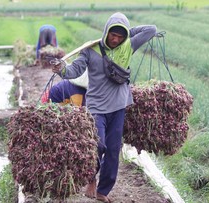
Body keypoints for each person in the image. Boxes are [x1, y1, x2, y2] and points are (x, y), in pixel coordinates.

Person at [52, 12, 157, 202]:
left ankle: (103, 191)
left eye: (120, 36)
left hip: (118, 106)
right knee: (98, 145)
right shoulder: (90, 50)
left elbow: (151, 30)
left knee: (113, 150)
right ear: (106, 32)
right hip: (96, 106)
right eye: (112, 34)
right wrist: (62, 69)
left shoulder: (128, 46)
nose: (116, 39)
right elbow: (75, 70)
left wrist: (127, 32)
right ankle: (91, 177)